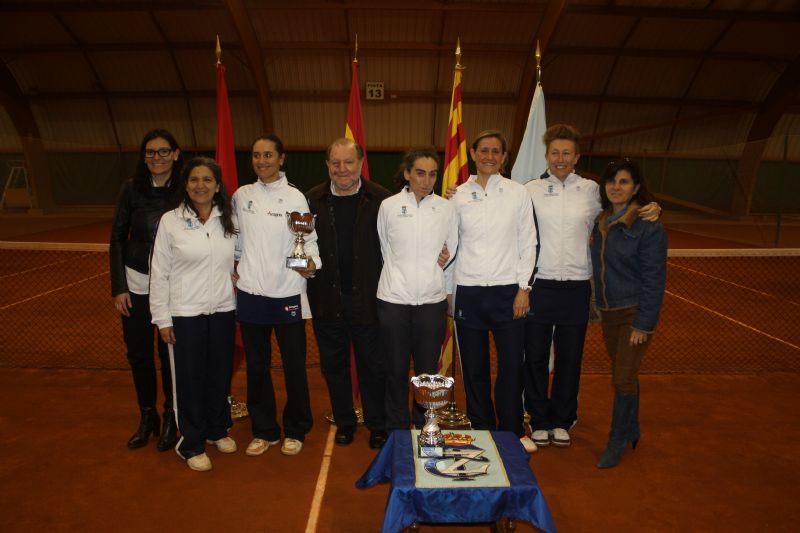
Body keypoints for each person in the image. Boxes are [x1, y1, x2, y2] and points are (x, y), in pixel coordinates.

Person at [523, 124, 660, 449]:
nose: (560, 158)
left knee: (571, 358)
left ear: (577, 157)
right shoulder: (528, 190)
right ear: (546, 155)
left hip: (577, 288)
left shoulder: (591, 190)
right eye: (555, 152)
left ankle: (562, 418)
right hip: (538, 287)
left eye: (566, 153)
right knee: (536, 357)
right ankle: (539, 419)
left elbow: (623, 205)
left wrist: (651, 206)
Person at [449, 130, 537, 451]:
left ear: (504, 157)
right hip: (468, 294)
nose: (489, 156)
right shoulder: (456, 195)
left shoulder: (517, 193)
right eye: (483, 150)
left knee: (512, 365)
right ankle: (482, 428)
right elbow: (450, 245)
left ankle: (512, 430)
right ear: (473, 153)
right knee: (474, 368)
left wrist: (523, 288)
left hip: (508, 294)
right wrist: (450, 292)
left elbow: (528, 241)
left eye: (496, 151)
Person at [149, 157, 239, 472]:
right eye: (194, 180)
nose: (200, 185)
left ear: (217, 186)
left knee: (218, 375)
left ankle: (217, 429)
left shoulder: (227, 220)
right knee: (189, 380)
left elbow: (237, 261)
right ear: (186, 185)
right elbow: (158, 274)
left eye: (207, 180)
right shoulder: (170, 221)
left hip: (223, 312)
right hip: (184, 315)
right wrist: (163, 319)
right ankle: (191, 443)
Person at [233, 134, 319, 457]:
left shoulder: (296, 198)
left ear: (281, 158)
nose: (262, 161)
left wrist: (309, 266)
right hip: (252, 295)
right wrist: (231, 267)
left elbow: (307, 243)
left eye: (268, 155)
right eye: (257, 155)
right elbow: (237, 243)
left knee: (294, 366)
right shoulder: (241, 197)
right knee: (257, 366)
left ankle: (296, 428)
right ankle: (264, 429)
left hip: (287, 295)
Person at [306, 138, 389, 449]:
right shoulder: (310, 200)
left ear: (360, 163)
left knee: (373, 366)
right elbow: (296, 245)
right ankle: (344, 422)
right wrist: (301, 265)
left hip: (368, 300)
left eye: (348, 162)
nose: (342, 169)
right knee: (334, 367)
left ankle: (377, 424)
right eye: (336, 163)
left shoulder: (382, 199)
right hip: (327, 300)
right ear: (328, 165)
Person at [110, 128, 183, 451]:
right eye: (150, 152)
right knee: (139, 355)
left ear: (176, 154)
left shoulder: (185, 188)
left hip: (173, 288)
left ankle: (171, 417)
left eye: (163, 151)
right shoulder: (131, 189)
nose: (157, 158)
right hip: (136, 284)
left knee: (169, 356)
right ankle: (147, 416)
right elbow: (117, 238)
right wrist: (119, 286)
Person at [591, 159, 667, 468]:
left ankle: (617, 439)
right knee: (625, 375)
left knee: (622, 378)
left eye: (624, 182)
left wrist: (644, 323)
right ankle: (632, 428)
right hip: (609, 313)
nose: (616, 187)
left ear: (636, 188)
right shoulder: (600, 221)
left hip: (633, 313)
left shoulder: (649, 226)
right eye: (612, 182)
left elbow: (655, 278)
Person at [377, 149, 458, 431]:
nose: (426, 180)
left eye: (432, 174)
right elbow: (385, 250)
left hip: (432, 303)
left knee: (427, 372)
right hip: (393, 301)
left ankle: (425, 426)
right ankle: (396, 429)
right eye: (420, 173)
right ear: (407, 173)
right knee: (395, 370)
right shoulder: (388, 206)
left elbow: (452, 250)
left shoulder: (447, 208)